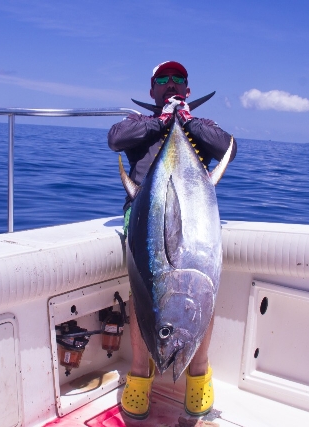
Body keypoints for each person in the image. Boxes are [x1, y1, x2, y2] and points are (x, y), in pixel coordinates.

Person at [107, 61, 236, 419]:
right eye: (162, 80)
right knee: (143, 294)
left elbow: (228, 147)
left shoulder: (201, 126)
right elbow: (115, 139)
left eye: (178, 79)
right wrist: (160, 122)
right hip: (145, 218)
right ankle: (138, 376)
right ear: (151, 90)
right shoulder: (138, 122)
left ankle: (199, 376)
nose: (170, 84)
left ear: (188, 89)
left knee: (202, 290)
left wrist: (187, 122)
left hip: (197, 221)